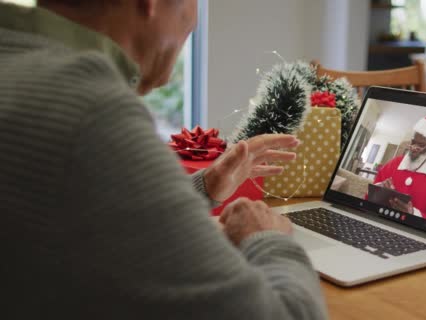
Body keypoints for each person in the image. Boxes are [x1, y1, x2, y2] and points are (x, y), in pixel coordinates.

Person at [0, 1, 327, 319]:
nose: (193, 20)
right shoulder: (91, 111)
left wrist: (202, 187)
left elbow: (86, 211)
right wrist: (266, 237)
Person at [372, 112, 426, 223]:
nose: (413, 148)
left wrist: (412, 214)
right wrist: (380, 191)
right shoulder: (394, 163)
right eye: (413, 142)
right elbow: (368, 196)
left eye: (421, 145)